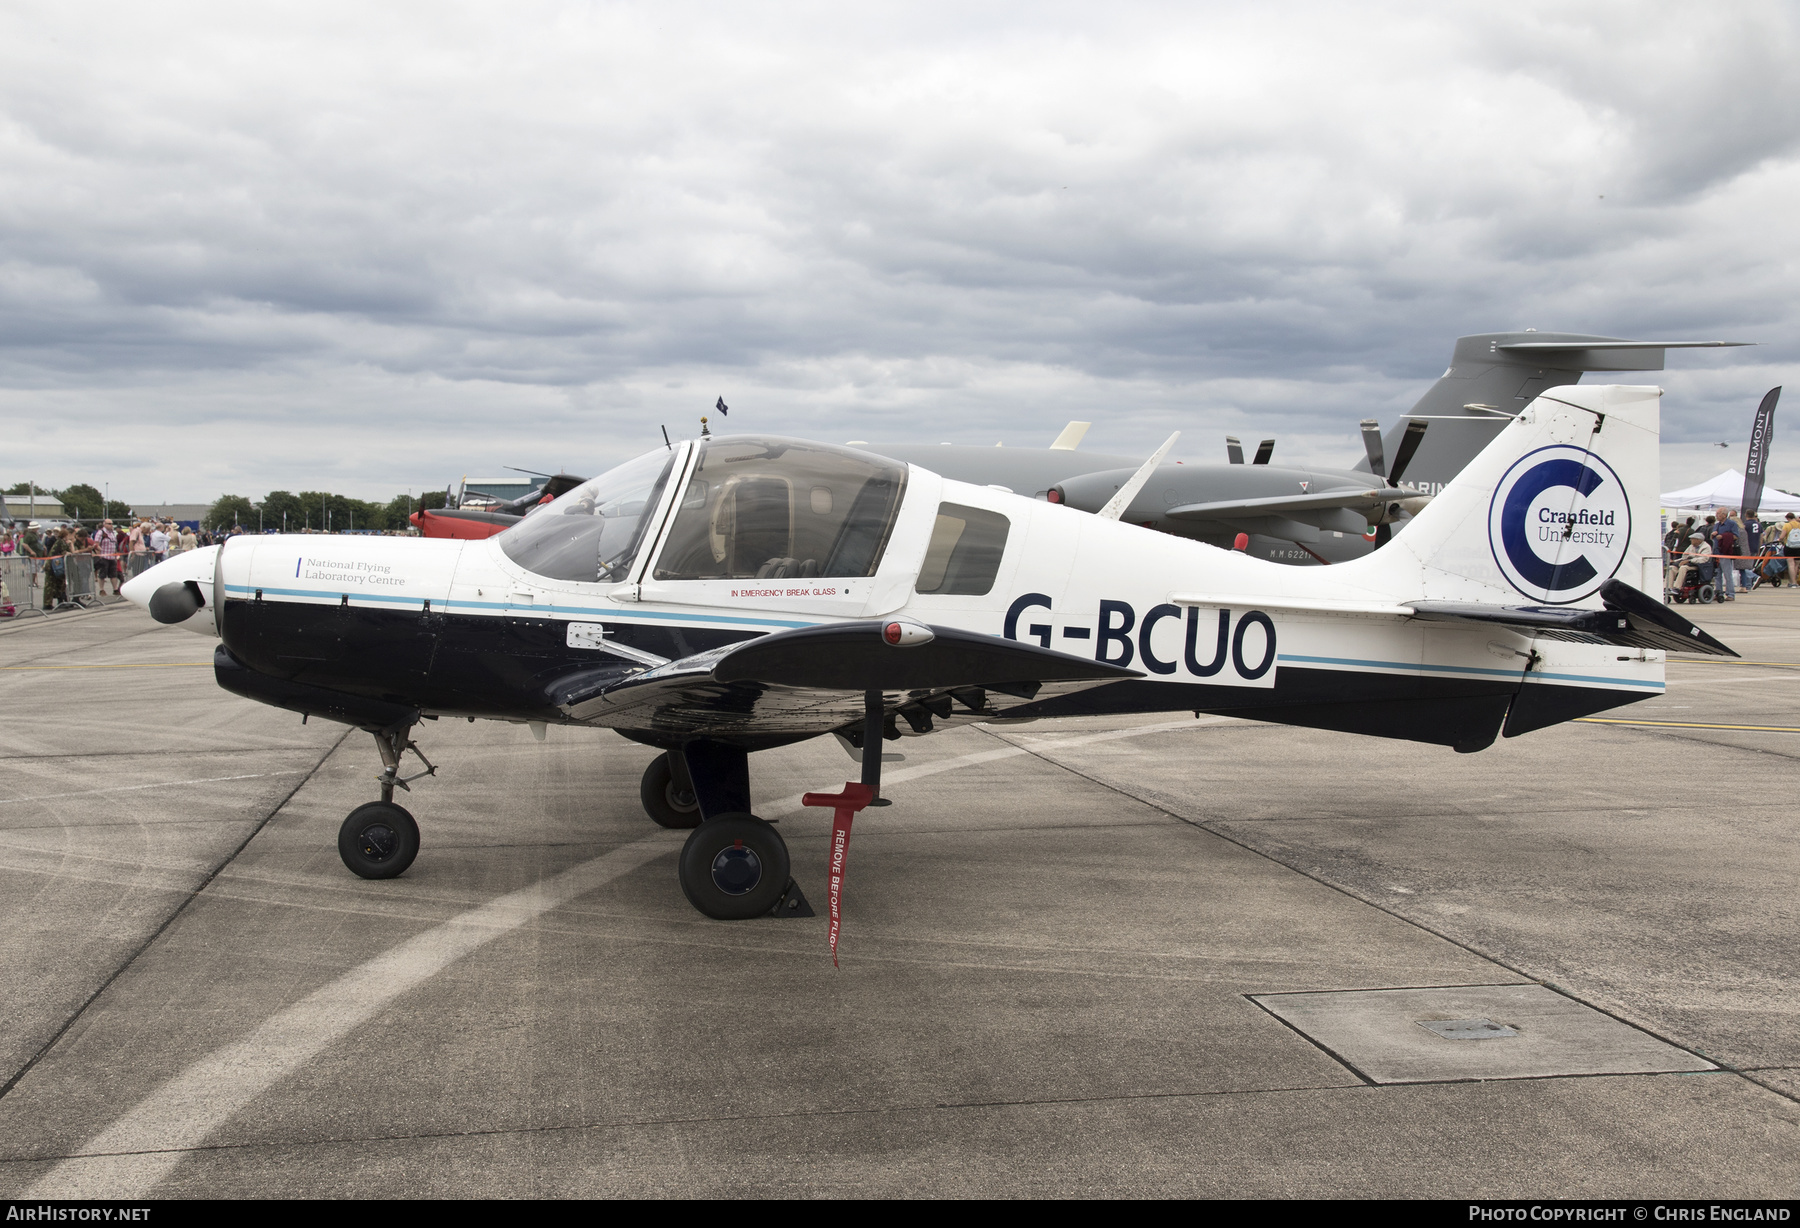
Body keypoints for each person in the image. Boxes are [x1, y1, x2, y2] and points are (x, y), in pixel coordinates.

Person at [1712, 507, 1740, 600]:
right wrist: (1713, 535)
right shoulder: (1717, 525)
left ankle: (1730, 594)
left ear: (1724, 515)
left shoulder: (1732, 524)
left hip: (1725, 552)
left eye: (1718, 514)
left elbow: (1736, 536)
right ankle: (1718, 592)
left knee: (1727, 574)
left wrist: (1724, 536)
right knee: (1717, 574)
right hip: (1716, 552)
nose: (1716, 516)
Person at [1783, 513, 1800, 589]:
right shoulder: (1799, 524)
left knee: (1791, 564)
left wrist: (1780, 539)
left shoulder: (1787, 525)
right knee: (1796, 565)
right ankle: (1794, 581)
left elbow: (1781, 536)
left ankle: (1792, 582)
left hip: (1789, 547)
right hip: (1799, 547)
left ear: (1787, 518)